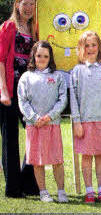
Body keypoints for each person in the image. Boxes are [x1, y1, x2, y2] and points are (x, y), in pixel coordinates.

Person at [17, 41, 68, 202]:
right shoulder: (26, 77)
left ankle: (61, 191)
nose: (42, 59)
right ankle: (43, 192)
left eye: (45, 56)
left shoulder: (57, 76)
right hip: (34, 125)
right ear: (33, 56)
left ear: (50, 57)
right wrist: (34, 118)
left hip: (52, 124)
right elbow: (22, 101)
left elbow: (62, 99)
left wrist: (49, 116)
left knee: (57, 159)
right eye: (39, 55)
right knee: (37, 161)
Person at [0, 0, 39, 198]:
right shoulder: (8, 27)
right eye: (25, 4)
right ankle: (13, 188)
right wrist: (3, 91)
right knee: (10, 138)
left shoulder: (34, 29)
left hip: (28, 88)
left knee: (34, 131)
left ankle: (27, 181)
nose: (28, 8)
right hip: (9, 86)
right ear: (17, 5)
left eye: (32, 5)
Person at [70, 31, 101, 203]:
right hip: (84, 122)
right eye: (87, 45)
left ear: (99, 47)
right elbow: (73, 98)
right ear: (81, 48)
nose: (90, 48)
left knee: (100, 156)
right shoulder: (77, 71)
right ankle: (89, 191)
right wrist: (76, 122)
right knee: (86, 157)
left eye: (93, 45)